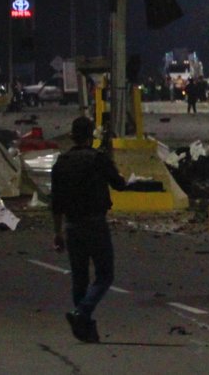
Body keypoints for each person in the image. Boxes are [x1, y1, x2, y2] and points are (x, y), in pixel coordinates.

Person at [51, 117, 127, 343]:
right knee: (105, 274)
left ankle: (82, 325)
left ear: (72, 136)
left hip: (72, 225)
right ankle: (82, 312)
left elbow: (56, 203)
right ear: (91, 136)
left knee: (79, 277)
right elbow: (119, 184)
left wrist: (57, 232)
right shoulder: (98, 159)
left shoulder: (61, 163)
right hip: (95, 223)